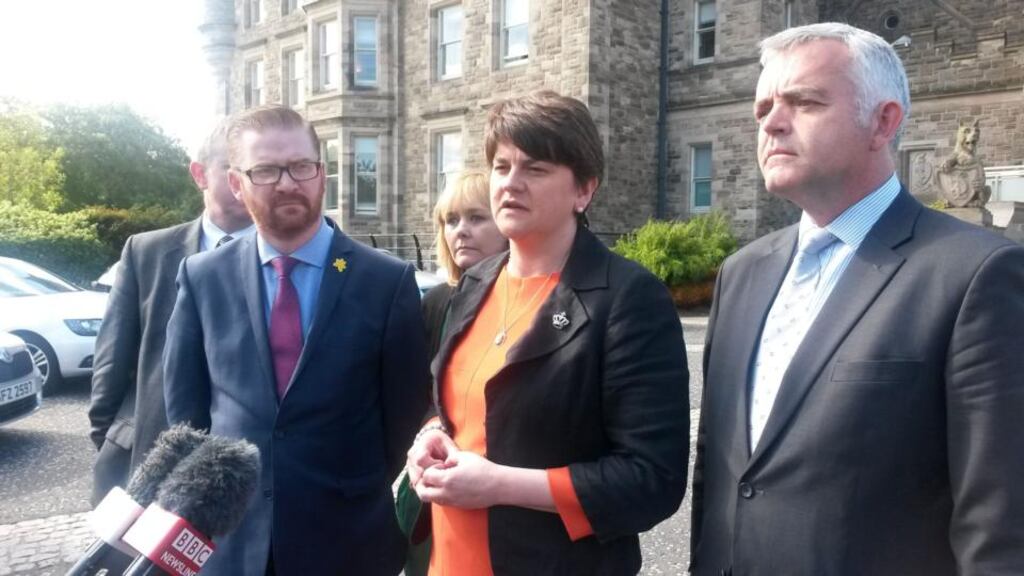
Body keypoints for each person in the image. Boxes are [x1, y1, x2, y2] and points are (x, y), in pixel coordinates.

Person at [690, 23, 1024, 576]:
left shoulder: (975, 275)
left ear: (883, 121)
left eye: (804, 102)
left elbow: (1001, 519)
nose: (771, 122)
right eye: (763, 108)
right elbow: (722, 473)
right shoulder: (741, 274)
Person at [405, 91, 690, 575]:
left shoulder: (627, 299)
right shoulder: (474, 283)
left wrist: (500, 485)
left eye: (535, 169)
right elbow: (456, 401)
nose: (510, 183)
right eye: (501, 166)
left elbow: (651, 481)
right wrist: (430, 434)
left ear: (584, 190)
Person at [163, 105, 430, 575]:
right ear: (237, 184)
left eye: (301, 166)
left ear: (322, 175)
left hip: (348, 540)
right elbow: (186, 411)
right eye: (265, 170)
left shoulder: (385, 282)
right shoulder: (203, 277)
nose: (287, 183)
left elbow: (402, 419)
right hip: (233, 543)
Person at [88, 117, 254, 505]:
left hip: (249, 472)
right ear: (200, 174)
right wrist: (112, 438)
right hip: (154, 460)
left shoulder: (288, 259)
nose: (243, 183)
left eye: (253, 171)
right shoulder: (146, 252)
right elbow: (112, 359)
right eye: (232, 169)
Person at [421, 169, 508, 359]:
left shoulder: (530, 298)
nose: (461, 231)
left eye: (476, 218)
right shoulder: (433, 303)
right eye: (452, 221)